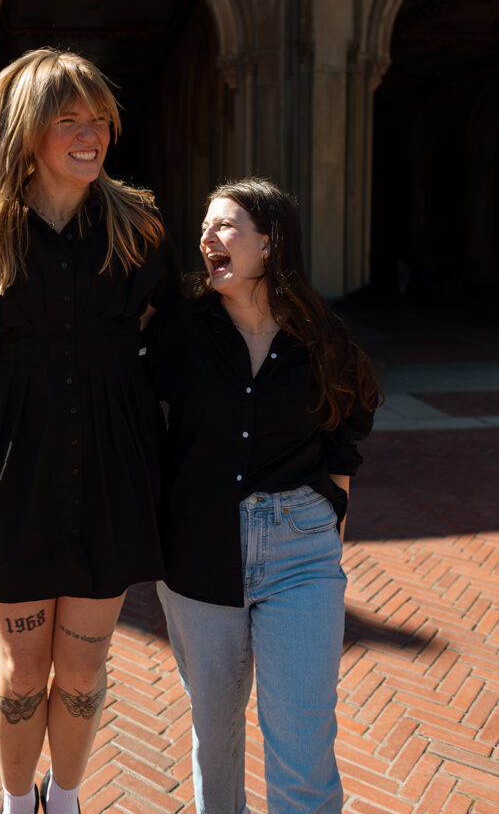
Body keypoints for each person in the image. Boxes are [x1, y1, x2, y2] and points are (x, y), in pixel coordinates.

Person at [0, 48, 176, 814]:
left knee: (85, 670)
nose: (90, 135)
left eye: (98, 120)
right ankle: (13, 802)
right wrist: (5, 385)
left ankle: (63, 801)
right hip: (13, 468)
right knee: (25, 671)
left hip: (111, 465)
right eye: (69, 120)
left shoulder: (138, 228)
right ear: (28, 133)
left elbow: (162, 324)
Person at [143, 177, 382, 814]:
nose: (207, 237)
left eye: (225, 226)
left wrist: (334, 507)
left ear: (269, 245)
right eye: (205, 228)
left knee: (303, 745)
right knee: (214, 743)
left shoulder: (320, 337)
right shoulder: (178, 330)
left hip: (300, 552)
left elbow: (350, 419)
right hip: (197, 550)